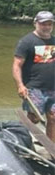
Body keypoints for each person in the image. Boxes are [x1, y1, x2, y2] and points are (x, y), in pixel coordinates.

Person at [12, 10, 55, 140]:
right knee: (34, 118)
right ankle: (18, 138)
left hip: (53, 88)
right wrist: (20, 85)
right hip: (33, 87)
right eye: (43, 24)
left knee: (53, 117)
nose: (46, 27)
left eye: (49, 24)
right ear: (35, 23)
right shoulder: (27, 42)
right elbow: (16, 65)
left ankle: (52, 149)